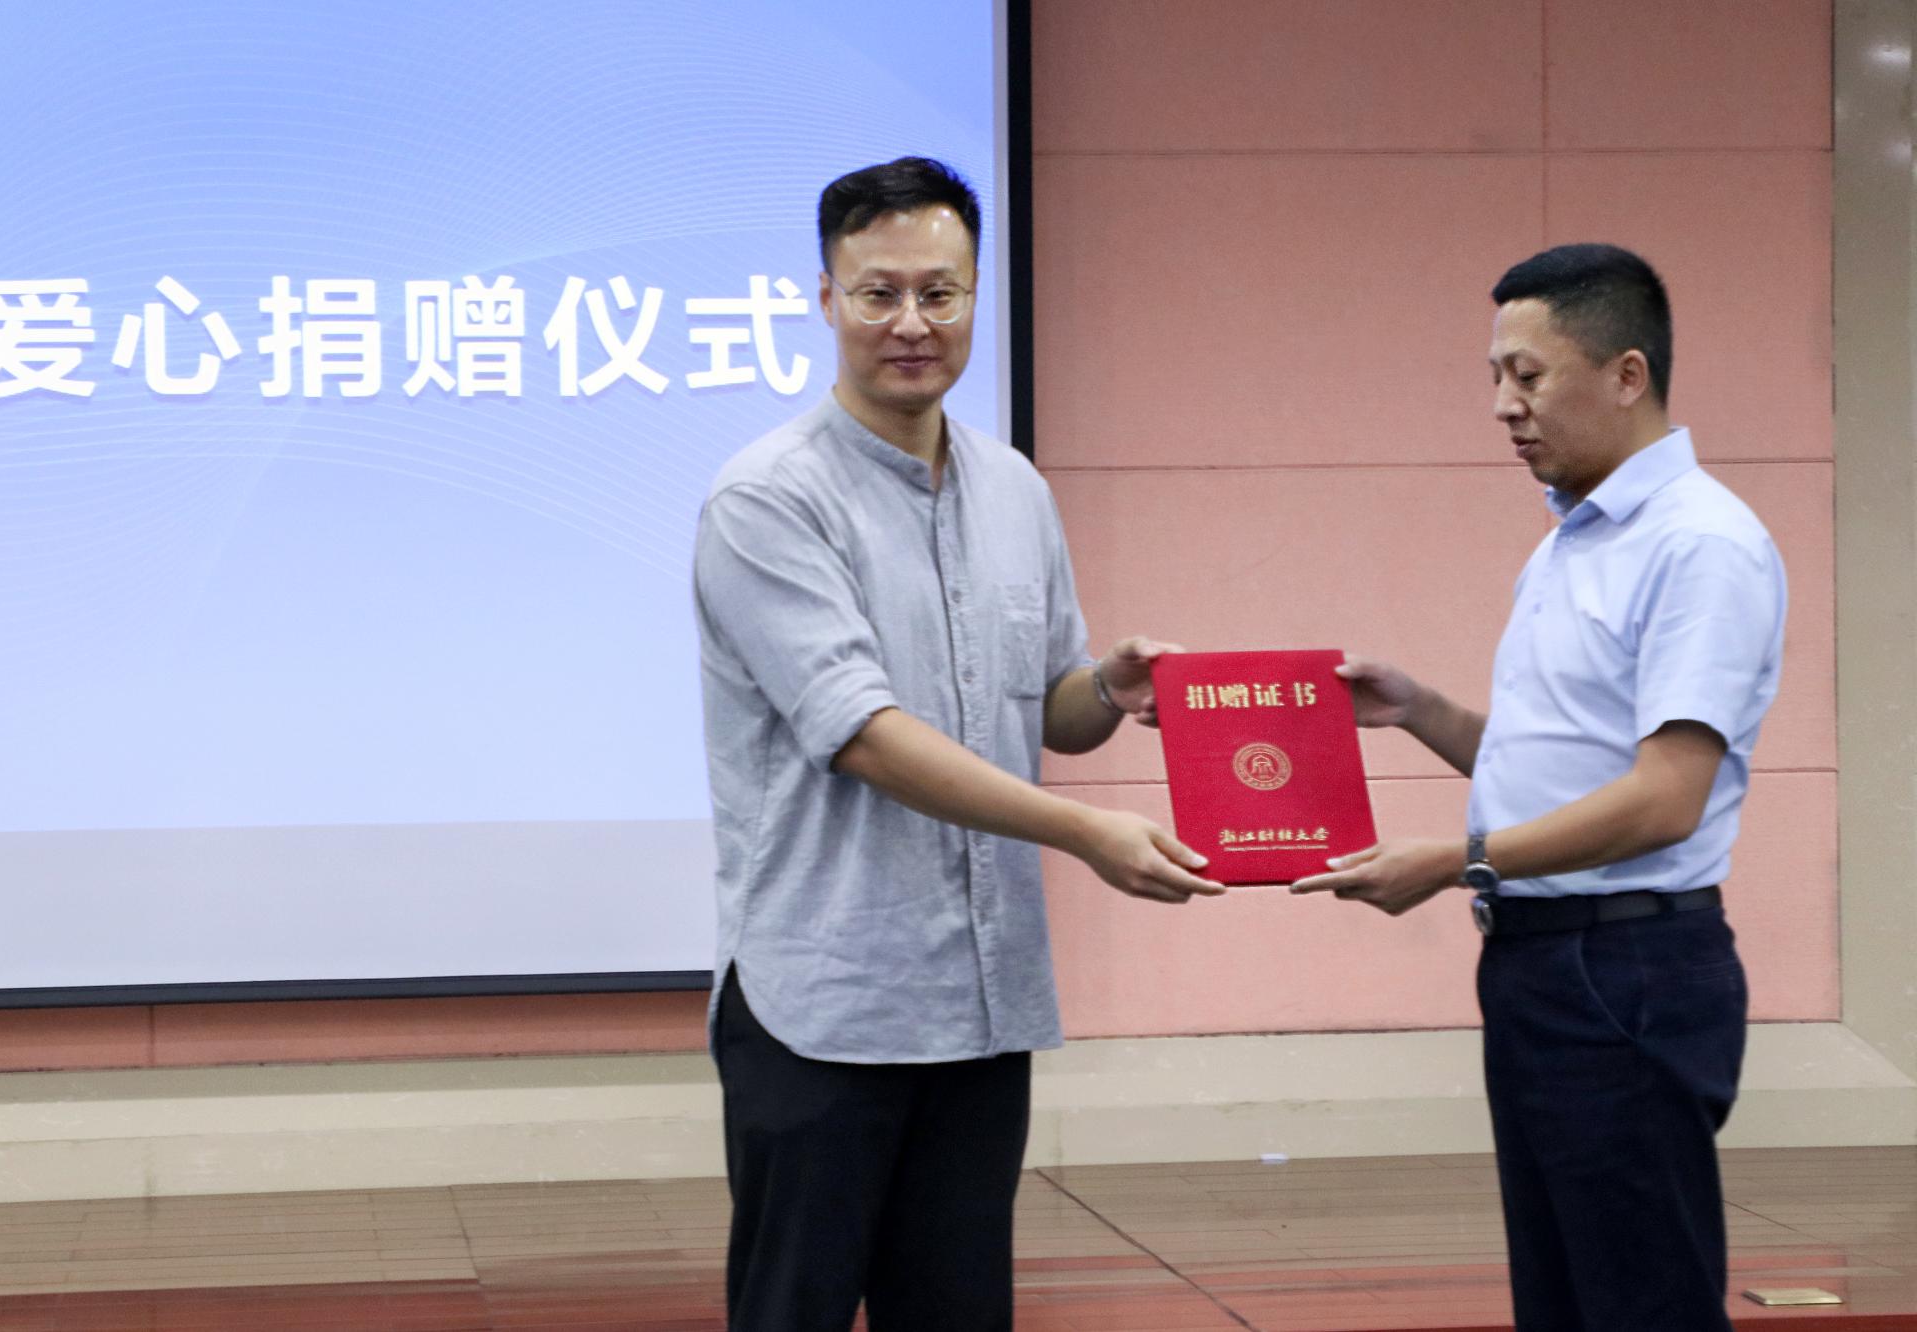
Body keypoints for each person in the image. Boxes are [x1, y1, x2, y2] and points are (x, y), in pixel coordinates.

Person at [692, 156, 1221, 1332]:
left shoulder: (1014, 489)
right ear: (824, 300)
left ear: (975, 295)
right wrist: (1083, 833)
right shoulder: (766, 499)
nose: (911, 324)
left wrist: (1111, 687)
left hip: (979, 1002)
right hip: (826, 1001)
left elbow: (1048, 712)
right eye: (878, 293)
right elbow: (865, 738)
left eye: (939, 293)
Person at [1292, 243, 1786, 1331]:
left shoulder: (1699, 546)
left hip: (1625, 968)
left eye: (1528, 376)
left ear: (1625, 374)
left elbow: (1664, 800)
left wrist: (1454, 863)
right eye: (1494, 378)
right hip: (1541, 967)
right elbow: (1553, 770)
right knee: (1561, 1301)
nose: (1502, 406)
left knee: (1639, 1303)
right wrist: (1417, 708)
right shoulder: (1572, 539)